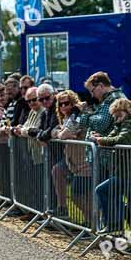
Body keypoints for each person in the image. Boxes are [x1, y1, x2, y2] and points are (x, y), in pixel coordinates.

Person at [93, 99, 131, 233]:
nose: (115, 117)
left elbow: (123, 140)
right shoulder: (122, 123)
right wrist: (101, 138)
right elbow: (112, 137)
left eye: (117, 113)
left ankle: (118, 225)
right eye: (114, 114)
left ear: (125, 110)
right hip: (126, 171)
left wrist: (100, 140)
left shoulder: (130, 121)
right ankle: (118, 225)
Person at [49, 90, 92, 222]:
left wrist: (61, 133)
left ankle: (91, 222)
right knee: (57, 171)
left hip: (84, 162)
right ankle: (64, 209)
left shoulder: (79, 116)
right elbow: (56, 132)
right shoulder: (67, 118)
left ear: (73, 103)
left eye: (66, 103)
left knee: (78, 195)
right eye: (60, 104)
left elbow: (63, 135)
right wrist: (59, 132)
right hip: (72, 161)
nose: (63, 107)